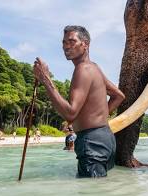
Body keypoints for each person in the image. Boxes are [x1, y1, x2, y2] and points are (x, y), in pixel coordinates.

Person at [33, 25, 125, 178]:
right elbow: (119, 96)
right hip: (105, 138)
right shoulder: (94, 67)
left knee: (90, 191)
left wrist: (45, 79)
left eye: (71, 41)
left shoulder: (83, 69)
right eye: (63, 42)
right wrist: (97, 117)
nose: (66, 46)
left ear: (85, 44)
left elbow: (70, 113)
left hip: (92, 142)